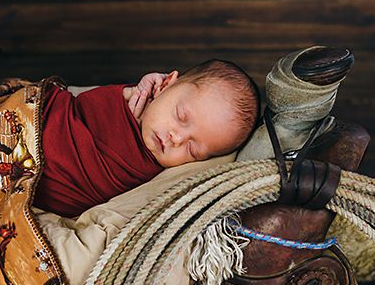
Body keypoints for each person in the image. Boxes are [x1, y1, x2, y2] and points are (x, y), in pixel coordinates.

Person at [34, 59, 261, 217]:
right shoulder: (130, 100)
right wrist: (129, 92)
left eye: (192, 150)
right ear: (164, 85)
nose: (177, 138)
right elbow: (81, 107)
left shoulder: (152, 178)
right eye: (181, 116)